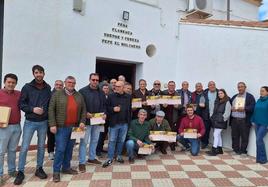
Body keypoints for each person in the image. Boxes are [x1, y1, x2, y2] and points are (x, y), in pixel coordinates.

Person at [14, 65, 51, 185]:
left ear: (44, 74)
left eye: (41, 72)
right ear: (33, 74)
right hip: (30, 121)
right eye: (36, 72)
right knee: (24, 147)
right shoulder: (27, 87)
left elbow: (50, 104)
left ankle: (39, 168)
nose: (39, 74)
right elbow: (21, 104)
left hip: (43, 122)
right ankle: (20, 171)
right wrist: (32, 109)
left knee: (41, 146)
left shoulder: (48, 88)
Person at [48, 76, 86, 182]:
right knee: (60, 149)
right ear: (65, 83)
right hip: (61, 127)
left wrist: (82, 121)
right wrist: (52, 124)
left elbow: (83, 110)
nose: (71, 84)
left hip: (74, 127)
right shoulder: (57, 94)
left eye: (73, 83)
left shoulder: (79, 95)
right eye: (69, 82)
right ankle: (56, 171)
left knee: (69, 149)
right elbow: (51, 110)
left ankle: (66, 168)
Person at [78, 73, 107, 172]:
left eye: (97, 80)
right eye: (93, 80)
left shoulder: (101, 92)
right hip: (86, 121)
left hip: (98, 121)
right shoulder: (82, 91)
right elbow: (79, 106)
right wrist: (85, 113)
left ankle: (91, 157)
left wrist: (105, 114)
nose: (95, 82)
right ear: (89, 80)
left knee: (95, 140)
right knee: (84, 142)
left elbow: (104, 105)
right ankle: (81, 162)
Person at [102, 81, 132, 167]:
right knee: (112, 141)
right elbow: (106, 108)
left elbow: (129, 110)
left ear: (123, 87)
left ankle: (118, 156)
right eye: (115, 86)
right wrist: (113, 109)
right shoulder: (111, 96)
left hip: (124, 123)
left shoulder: (128, 97)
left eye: (119, 86)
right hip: (114, 123)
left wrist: (128, 122)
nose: (116, 88)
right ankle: (110, 158)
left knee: (121, 141)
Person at [0, 74, 21, 185]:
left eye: (13, 82)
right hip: (3, 127)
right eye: (9, 82)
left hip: (16, 126)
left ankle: (12, 170)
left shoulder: (18, 94)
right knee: (1, 152)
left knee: (12, 150)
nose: (11, 84)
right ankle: (0, 174)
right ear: (5, 82)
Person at [230, 82, 255, 155]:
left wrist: (244, 108)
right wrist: (231, 108)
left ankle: (243, 151)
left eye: (241, 87)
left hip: (244, 120)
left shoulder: (249, 96)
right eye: (238, 87)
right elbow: (229, 105)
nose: (240, 88)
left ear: (245, 87)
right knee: (234, 136)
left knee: (245, 136)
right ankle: (235, 150)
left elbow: (253, 107)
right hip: (234, 119)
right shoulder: (235, 96)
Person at [206, 89, 231, 156]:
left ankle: (214, 150)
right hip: (215, 120)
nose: (220, 95)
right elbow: (212, 110)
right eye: (219, 93)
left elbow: (227, 113)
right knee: (218, 135)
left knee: (215, 134)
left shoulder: (227, 102)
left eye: (221, 93)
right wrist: (211, 116)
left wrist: (223, 119)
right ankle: (220, 149)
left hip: (221, 121)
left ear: (224, 94)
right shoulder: (217, 101)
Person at [47, 80, 64, 160]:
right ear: (54, 85)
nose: (58, 86)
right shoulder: (50, 94)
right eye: (57, 85)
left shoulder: (65, 95)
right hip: (51, 120)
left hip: (62, 120)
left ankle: (59, 152)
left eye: (60, 85)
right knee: (51, 137)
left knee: (61, 137)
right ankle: (51, 152)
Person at [251, 86, 268, 164]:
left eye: (263, 91)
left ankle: (263, 159)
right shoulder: (258, 100)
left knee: (259, 139)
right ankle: (259, 159)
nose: (261, 92)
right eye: (260, 91)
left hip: (264, 123)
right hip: (256, 123)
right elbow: (255, 111)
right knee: (258, 141)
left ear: (267, 92)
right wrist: (252, 120)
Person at [162, 81, 180, 151]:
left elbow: (180, 106)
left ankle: (172, 145)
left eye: (173, 85)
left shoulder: (177, 94)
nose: (171, 87)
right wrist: (163, 105)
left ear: (175, 86)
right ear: (168, 86)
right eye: (170, 85)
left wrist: (177, 106)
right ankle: (163, 147)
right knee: (164, 131)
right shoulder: (163, 93)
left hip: (173, 116)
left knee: (172, 131)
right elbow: (159, 103)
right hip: (164, 115)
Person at [201, 81, 218, 149]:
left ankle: (216, 145)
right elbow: (201, 101)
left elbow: (226, 98)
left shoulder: (219, 92)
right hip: (206, 115)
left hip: (216, 115)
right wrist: (201, 104)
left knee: (216, 132)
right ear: (208, 86)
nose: (212, 86)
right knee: (205, 130)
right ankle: (204, 143)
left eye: (213, 84)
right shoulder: (204, 93)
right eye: (210, 85)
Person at [96, 83, 110, 157]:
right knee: (100, 135)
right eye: (104, 88)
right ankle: (97, 150)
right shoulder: (99, 97)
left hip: (107, 120)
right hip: (100, 119)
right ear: (102, 89)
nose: (106, 90)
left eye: (107, 88)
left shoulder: (109, 96)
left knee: (104, 135)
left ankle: (101, 148)